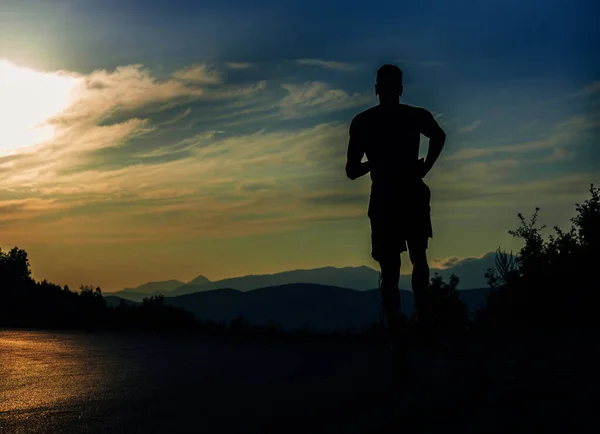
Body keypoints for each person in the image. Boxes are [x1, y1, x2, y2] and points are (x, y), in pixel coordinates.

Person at [345, 64, 446, 377]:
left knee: (391, 268)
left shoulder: (364, 122)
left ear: (376, 89)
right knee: (418, 258)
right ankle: (422, 319)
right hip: (411, 191)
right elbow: (439, 136)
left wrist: (375, 162)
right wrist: (424, 167)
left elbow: (351, 169)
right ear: (400, 89)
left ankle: (398, 330)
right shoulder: (414, 116)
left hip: (387, 196)